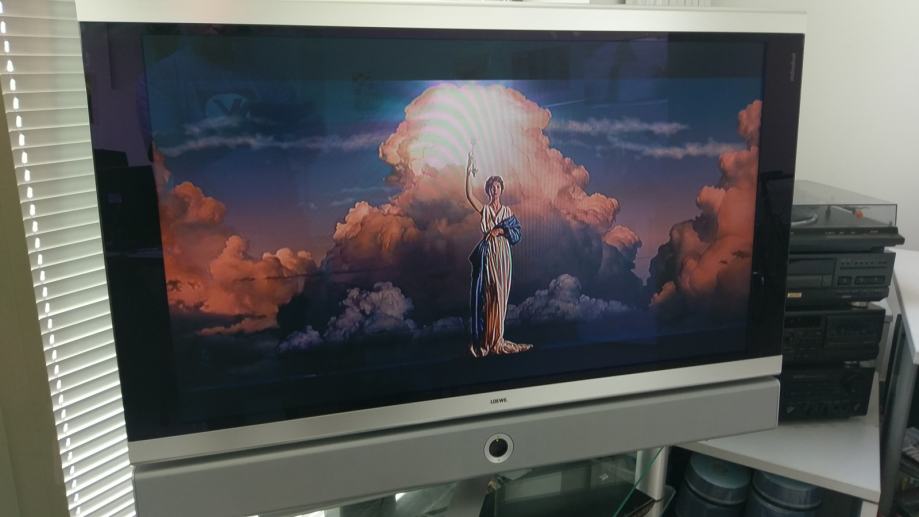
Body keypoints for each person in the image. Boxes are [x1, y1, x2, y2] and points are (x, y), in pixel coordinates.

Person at [466, 148, 533, 357]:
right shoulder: (485, 210)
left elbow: (516, 232)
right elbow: (469, 195)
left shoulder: (507, 212)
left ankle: (497, 339)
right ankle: (487, 340)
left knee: (501, 296)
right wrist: (468, 170)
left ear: (501, 190)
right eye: (492, 187)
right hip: (489, 255)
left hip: (503, 255)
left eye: (498, 187)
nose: (495, 190)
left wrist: (499, 230)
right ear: (488, 190)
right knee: (488, 295)